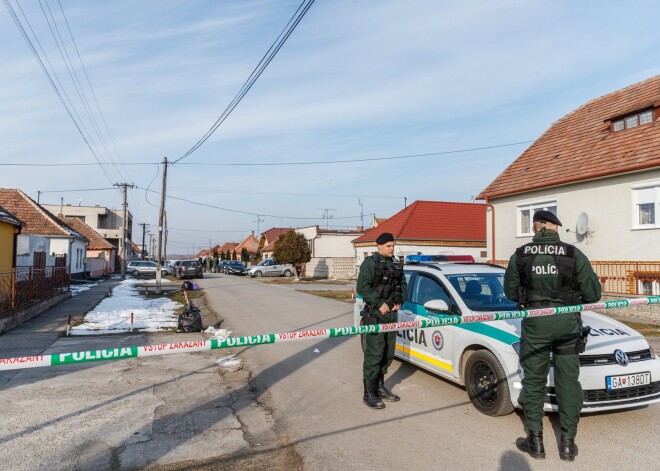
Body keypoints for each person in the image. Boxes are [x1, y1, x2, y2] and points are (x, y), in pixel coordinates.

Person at [504, 210, 601, 461]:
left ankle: (535, 441)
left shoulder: (521, 254)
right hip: (568, 324)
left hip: (536, 324)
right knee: (569, 381)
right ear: (554, 227)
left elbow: (510, 292)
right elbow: (593, 294)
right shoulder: (573, 253)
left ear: (536, 228)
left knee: (534, 380)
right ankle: (568, 443)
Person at [356, 232, 407, 409]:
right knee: (374, 354)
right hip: (375, 315)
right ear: (379, 246)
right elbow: (362, 287)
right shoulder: (370, 264)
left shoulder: (395, 264)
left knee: (387, 353)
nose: (392, 248)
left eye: (393, 245)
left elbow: (402, 285)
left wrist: (398, 301)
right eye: (388, 246)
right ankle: (368, 393)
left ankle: (379, 387)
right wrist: (379, 304)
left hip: (391, 316)